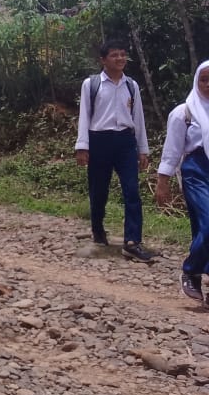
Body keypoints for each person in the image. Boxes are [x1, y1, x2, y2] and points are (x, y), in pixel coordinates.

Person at [74, 39, 153, 261]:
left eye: (122, 54)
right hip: (99, 140)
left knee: (132, 191)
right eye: (114, 55)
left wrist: (142, 149)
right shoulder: (92, 84)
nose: (120, 59)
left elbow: (138, 118)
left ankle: (132, 241)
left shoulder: (131, 86)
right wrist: (82, 146)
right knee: (99, 191)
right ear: (103, 60)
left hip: (125, 142)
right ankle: (98, 231)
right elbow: (84, 116)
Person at [154, 60, 209, 302]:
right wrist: (162, 181)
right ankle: (191, 270)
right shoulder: (183, 112)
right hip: (196, 171)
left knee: (202, 227)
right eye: (204, 79)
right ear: (196, 81)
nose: (208, 84)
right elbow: (172, 150)